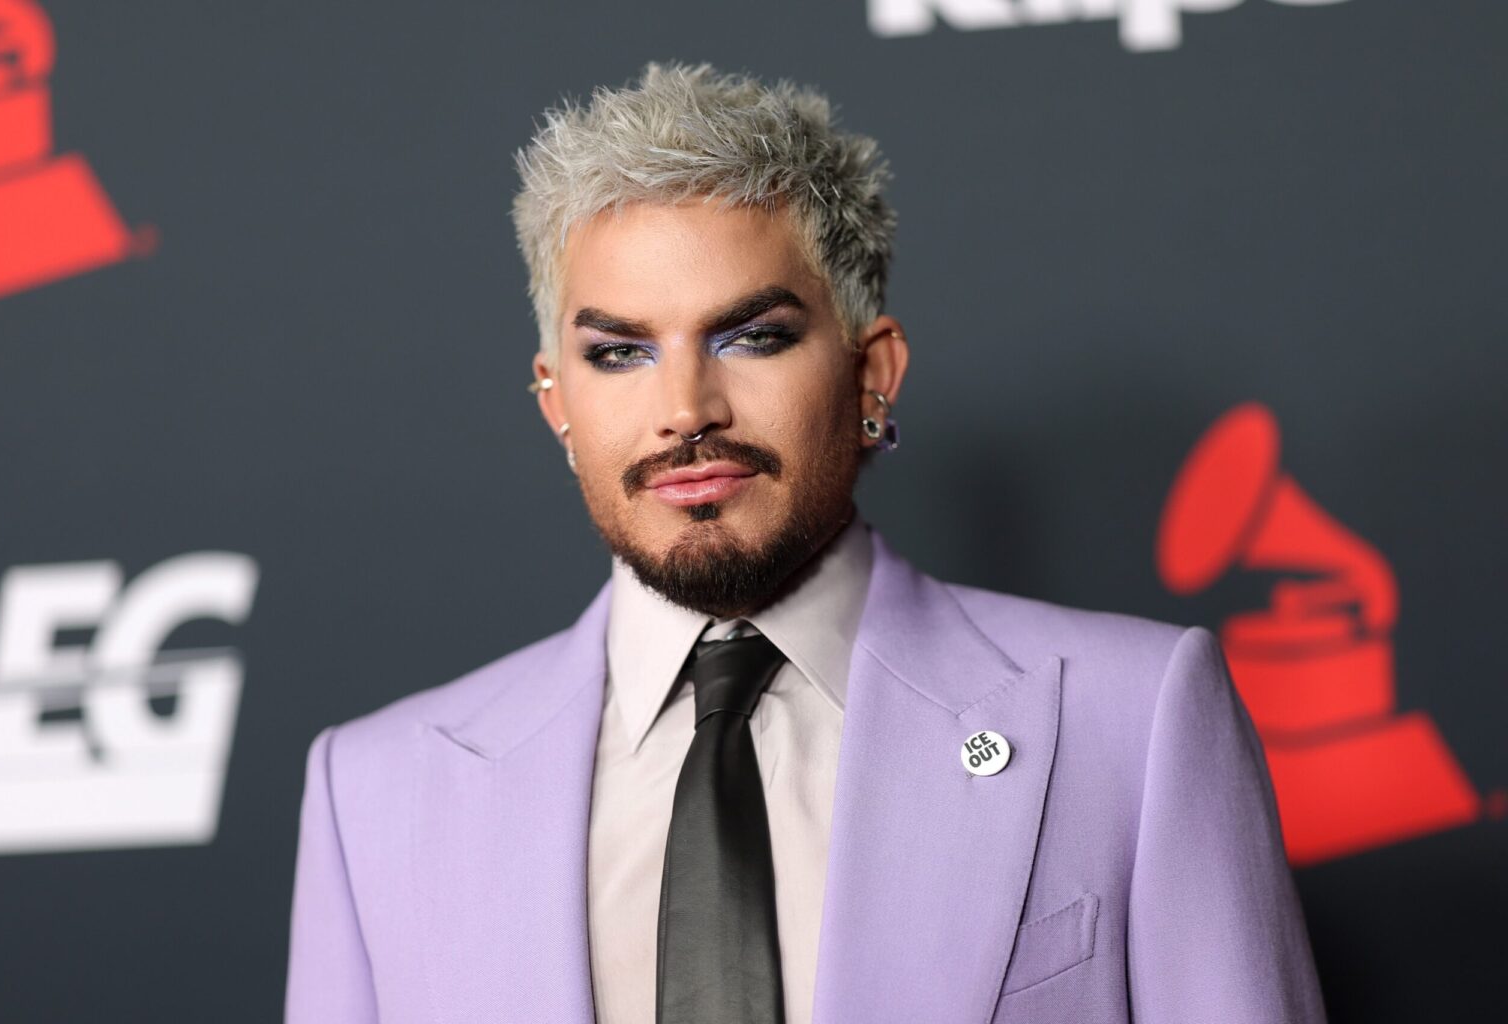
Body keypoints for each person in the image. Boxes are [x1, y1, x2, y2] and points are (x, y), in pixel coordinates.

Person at [284, 61, 1326, 1024]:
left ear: (872, 372)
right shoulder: (374, 793)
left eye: (753, 337)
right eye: (618, 353)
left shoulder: (1135, 719)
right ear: (555, 401)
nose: (685, 408)